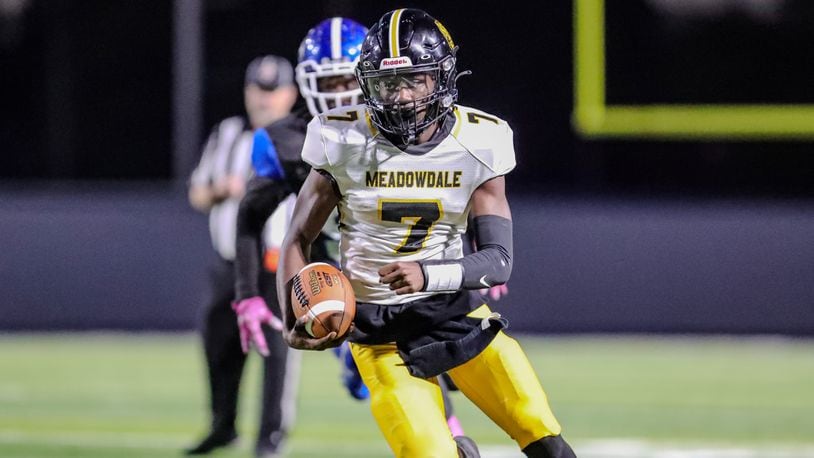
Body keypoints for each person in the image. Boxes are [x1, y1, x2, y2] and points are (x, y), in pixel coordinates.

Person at [236, 8, 578, 458]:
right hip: (377, 331)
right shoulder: (341, 139)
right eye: (385, 84)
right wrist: (291, 314)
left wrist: (429, 273)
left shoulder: (481, 139)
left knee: (543, 435)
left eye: (414, 81)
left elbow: (498, 261)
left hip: (457, 317)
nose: (400, 97)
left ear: (442, 78)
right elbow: (297, 237)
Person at [186, 55, 299, 458]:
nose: (265, 99)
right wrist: (222, 189)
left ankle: (270, 438)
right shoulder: (229, 133)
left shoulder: (300, 138)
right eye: (258, 89)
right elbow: (197, 192)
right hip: (229, 263)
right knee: (218, 345)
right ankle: (223, 425)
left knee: (278, 354)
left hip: (276, 263)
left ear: (291, 94)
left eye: (273, 90)